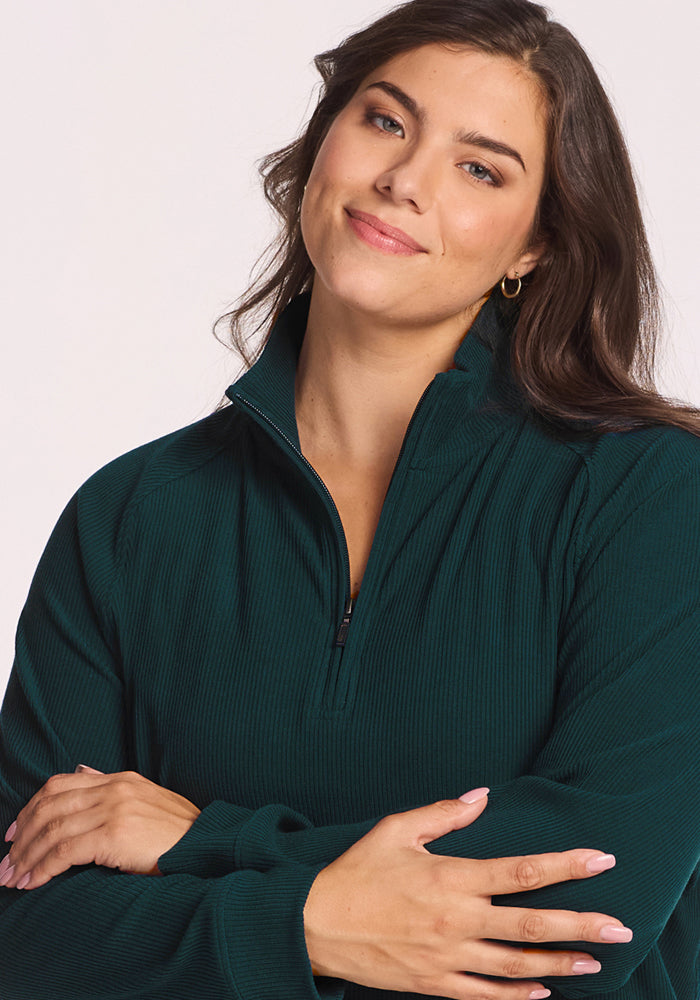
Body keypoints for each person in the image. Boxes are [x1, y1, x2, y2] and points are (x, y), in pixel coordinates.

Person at [0, 0, 698, 997]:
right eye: (384, 120)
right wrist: (309, 923)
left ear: (533, 245)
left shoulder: (649, 496)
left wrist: (205, 843)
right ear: (324, 142)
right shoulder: (128, 519)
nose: (403, 181)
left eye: (479, 168)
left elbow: (588, 913)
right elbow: (27, 932)